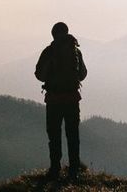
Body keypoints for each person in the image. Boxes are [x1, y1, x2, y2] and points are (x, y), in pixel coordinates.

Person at [35, 22, 87, 180]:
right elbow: (83, 74)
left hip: (54, 100)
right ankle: (74, 170)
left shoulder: (49, 51)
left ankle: (55, 169)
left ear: (53, 34)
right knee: (73, 135)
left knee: (54, 135)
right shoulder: (75, 51)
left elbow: (39, 75)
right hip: (72, 99)